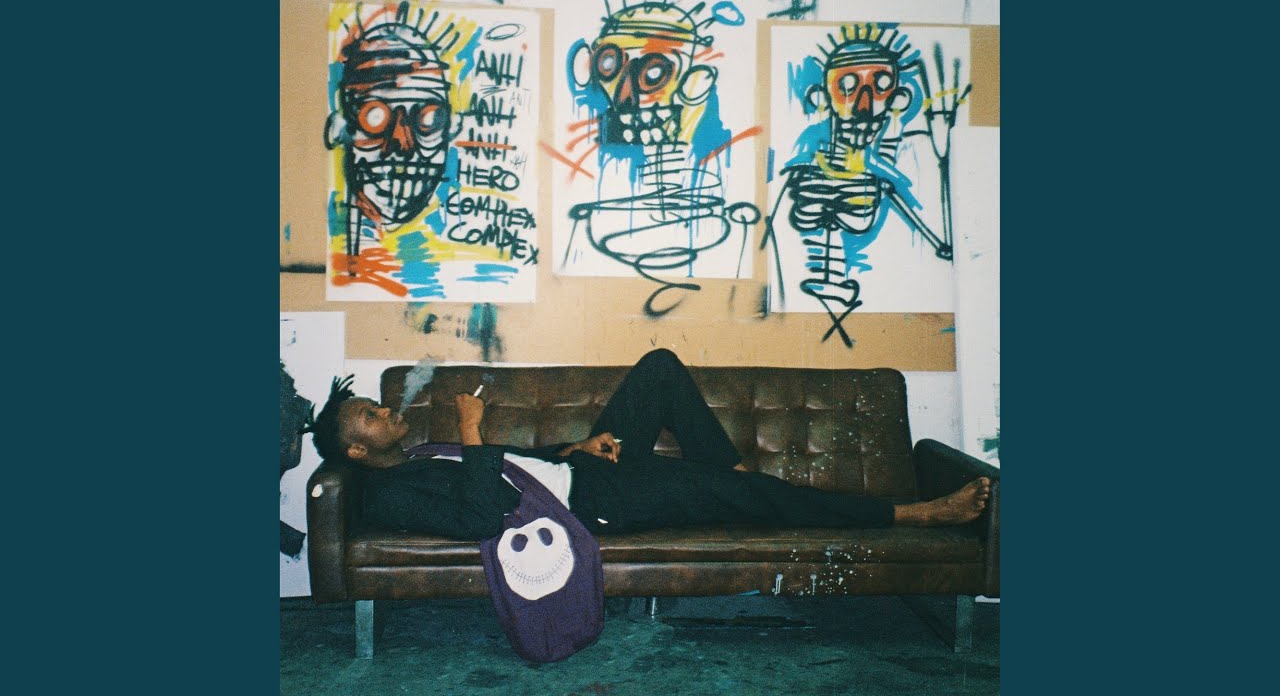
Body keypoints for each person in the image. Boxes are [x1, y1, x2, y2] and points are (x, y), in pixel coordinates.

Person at [303, 348, 990, 540]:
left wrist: (577, 445)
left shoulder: (419, 455)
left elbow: (515, 468)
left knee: (658, 367)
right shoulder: (387, 497)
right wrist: (471, 429)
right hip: (590, 508)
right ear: (355, 452)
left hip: (582, 472)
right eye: (368, 415)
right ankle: (913, 513)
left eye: (375, 404)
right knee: (747, 496)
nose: (384, 410)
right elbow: (484, 517)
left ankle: (732, 467)